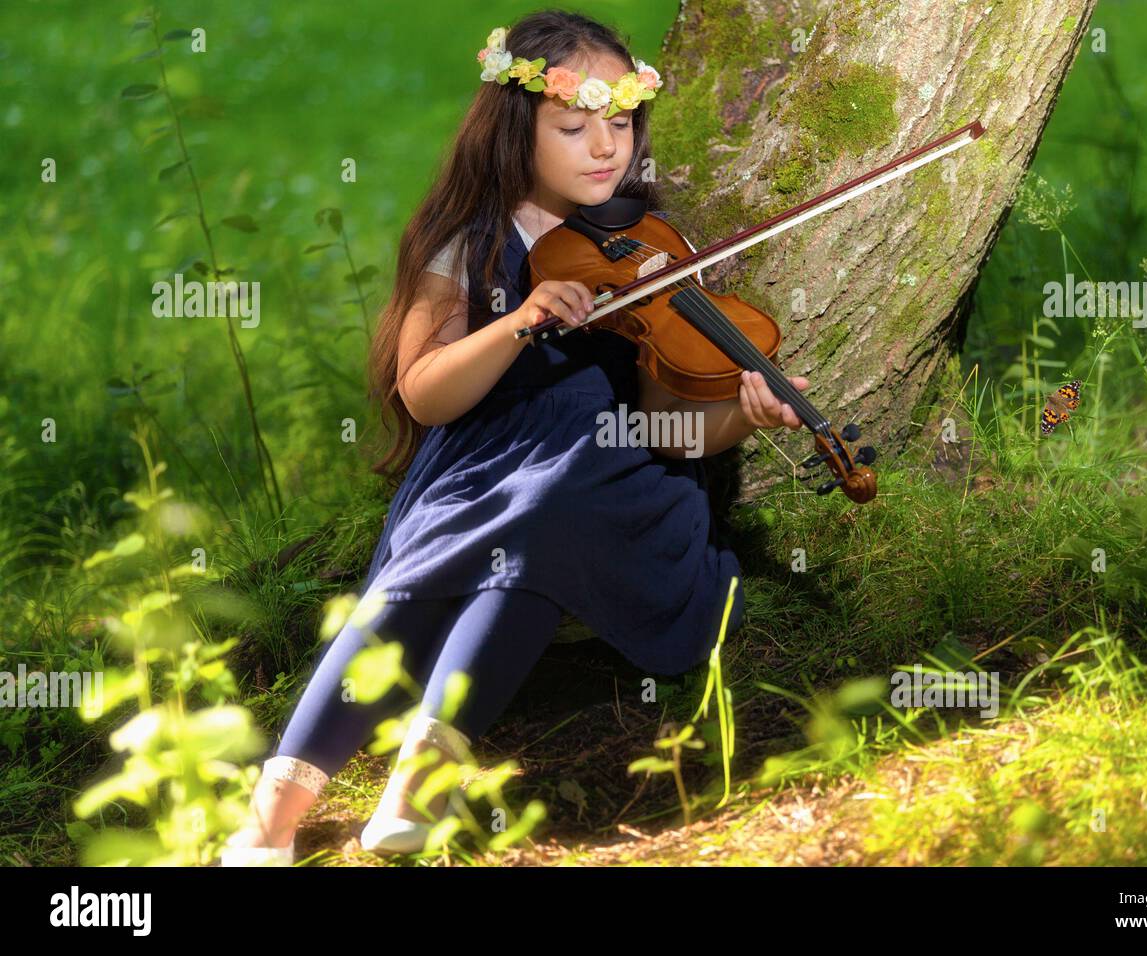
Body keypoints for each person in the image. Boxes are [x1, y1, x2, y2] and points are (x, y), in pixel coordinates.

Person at [221, 10, 809, 866]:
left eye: (621, 124)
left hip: (608, 475)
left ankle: (422, 777)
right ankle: (274, 812)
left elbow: (663, 425)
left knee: (546, 517)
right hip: (482, 467)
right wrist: (519, 323)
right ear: (514, 128)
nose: (605, 147)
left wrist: (738, 416)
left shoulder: (650, 246)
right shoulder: (473, 240)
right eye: (574, 127)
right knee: (417, 583)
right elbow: (425, 392)